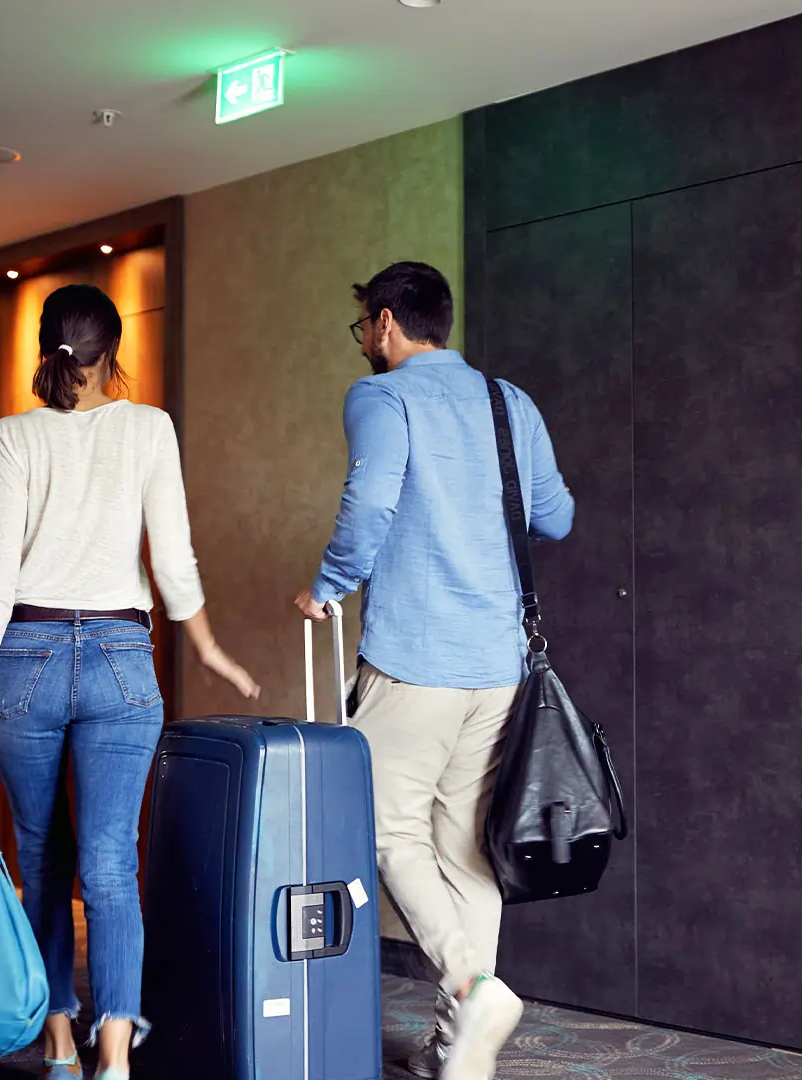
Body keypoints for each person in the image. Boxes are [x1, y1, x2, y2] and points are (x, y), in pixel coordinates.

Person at [0, 283, 260, 1080]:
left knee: (45, 855)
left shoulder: (11, 436)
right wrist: (210, 648)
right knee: (112, 862)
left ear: (45, 347)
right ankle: (114, 1053)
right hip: (122, 658)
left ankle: (58, 1044)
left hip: (25, 659)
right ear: (113, 353)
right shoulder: (149, 427)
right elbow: (173, 556)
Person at [296, 261, 574, 1080]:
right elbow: (555, 515)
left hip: (415, 659)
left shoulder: (381, 397)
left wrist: (327, 586)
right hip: (499, 664)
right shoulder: (507, 402)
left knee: (386, 830)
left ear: (385, 324)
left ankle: (469, 985)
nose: (365, 344)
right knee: (465, 853)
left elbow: (373, 500)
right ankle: (459, 1051)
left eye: (364, 329)